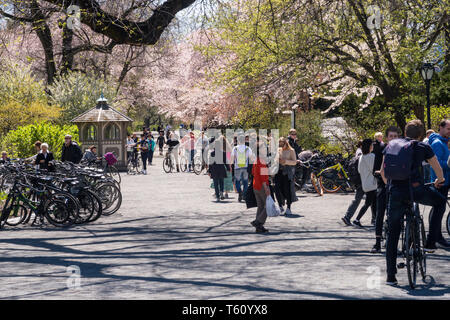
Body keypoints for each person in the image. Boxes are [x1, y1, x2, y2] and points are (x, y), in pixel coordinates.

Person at [381, 119, 446, 286]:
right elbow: (436, 167)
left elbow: (383, 172)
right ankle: (430, 242)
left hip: (395, 191)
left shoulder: (392, 145)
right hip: (416, 190)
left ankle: (390, 276)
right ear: (420, 134)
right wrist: (440, 179)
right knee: (440, 203)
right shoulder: (423, 147)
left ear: (404, 132)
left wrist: (390, 185)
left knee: (393, 234)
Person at [371, 126, 400, 253]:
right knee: (380, 213)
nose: (393, 138)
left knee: (396, 216)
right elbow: (378, 168)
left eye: (395, 136)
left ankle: (395, 243)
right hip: (384, 184)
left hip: (397, 185)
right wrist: (386, 182)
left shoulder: (402, 150)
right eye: (391, 136)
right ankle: (377, 242)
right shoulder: (383, 149)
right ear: (387, 138)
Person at [427, 119, 450, 247]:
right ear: (440, 128)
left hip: (445, 180)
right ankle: (434, 238)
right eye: (448, 129)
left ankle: (437, 237)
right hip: (439, 181)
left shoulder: (444, 142)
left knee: (439, 210)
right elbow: (435, 163)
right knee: (439, 210)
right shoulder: (437, 143)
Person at [352, 139, 377, 227]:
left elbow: (359, 170)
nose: (373, 146)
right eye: (372, 145)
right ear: (370, 146)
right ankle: (357, 219)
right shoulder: (372, 156)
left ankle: (375, 219)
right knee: (368, 203)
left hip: (365, 183)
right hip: (372, 184)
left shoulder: (361, 157)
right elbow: (373, 169)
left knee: (373, 202)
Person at [251, 142, 271, 233]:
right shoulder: (262, 161)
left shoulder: (256, 160)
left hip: (255, 185)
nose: (266, 149)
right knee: (268, 206)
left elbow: (252, 173)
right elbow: (263, 177)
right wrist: (266, 188)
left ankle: (259, 227)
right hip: (262, 186)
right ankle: (258, 222)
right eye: (264, 148)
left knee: (260, 206)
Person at [274, 137, 297, 216]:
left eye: (282, 143)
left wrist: (286, 161)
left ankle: (288, 207)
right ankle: (280, 206)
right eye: (279, 143)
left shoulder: (291, 150)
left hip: (287, 172)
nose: (281, 145)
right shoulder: (278, 150)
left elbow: (294, 162)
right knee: (277, 189)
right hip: (278, 172)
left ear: (286, 143)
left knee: (287, 190)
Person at [231, 133, 253, 202]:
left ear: (238, 140)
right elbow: (251, 158)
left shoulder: (235, 148)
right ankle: (244, 194)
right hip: (245, 167)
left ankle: (239, 192)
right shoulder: (248, 148)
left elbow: (232, 158)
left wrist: (231, 165)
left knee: (237, 181)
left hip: (237, 167)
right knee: (245, 182)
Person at [208, 137, 230, 202]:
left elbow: (210, 163)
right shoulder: (223, 153)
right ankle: (221, 192)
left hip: (214, 170)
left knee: (215, 184)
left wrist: (209, 171)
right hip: (221, 169)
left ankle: (217, 196)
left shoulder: (212, 153)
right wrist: (228, 168)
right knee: (221, 182)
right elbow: (225, 162)